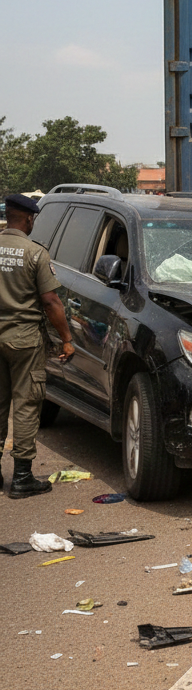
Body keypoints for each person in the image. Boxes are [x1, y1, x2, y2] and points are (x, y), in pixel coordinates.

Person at [0, 193, 75, 498]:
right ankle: (21, 478)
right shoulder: (35, 253)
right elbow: (50, 301)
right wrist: (67, 339)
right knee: (27, 404)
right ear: (29, 219)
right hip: (23, 341)